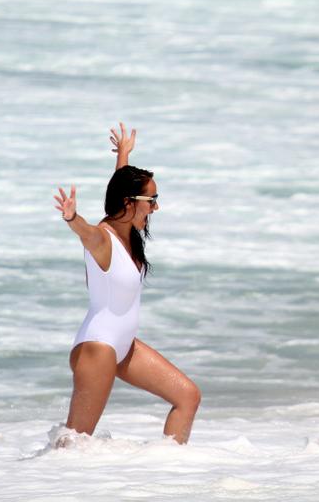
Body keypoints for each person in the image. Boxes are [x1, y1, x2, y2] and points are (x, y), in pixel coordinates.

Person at [52, 123, 200, 445]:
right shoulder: (103, 239)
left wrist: (123, 155)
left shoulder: (127, 229)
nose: (156, 207)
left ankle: (170, 473)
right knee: (73, 444)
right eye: (152, 200)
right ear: (131, 203)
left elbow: (122, 186)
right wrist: (71, 218)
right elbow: (86, 233)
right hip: (99, 348)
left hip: (124, 345)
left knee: (187, 396)